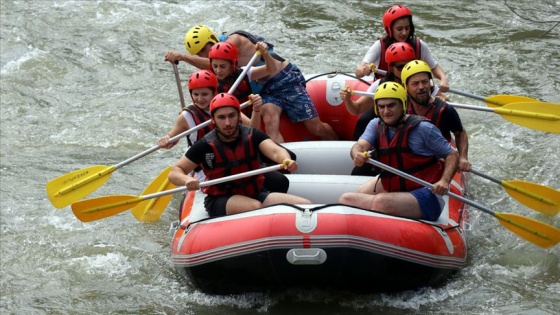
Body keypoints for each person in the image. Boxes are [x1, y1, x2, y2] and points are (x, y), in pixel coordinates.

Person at [165, 24, 338, 142]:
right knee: (270, 123)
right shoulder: (221, 64)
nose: (205, 55)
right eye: (200, 53)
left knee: (315, 128)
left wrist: (183, 57)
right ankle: (283, 164)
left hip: (284, 80)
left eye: (204, 49)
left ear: (212, 38)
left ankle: (339, 142)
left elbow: (214, 61)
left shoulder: (233, 41)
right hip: (264, 90)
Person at [168, 93, 311, 217]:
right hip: (220, 199)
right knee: (255, 207)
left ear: (239, 116)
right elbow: (175, 172)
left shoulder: (252, 135)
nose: (228, 123)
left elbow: (274, 151)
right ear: (213, 120)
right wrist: (186, 180)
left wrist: (285, 160)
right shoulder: (204, 145)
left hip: (255, 193)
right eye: (222, 118)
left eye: (232, 116)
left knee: (305, 205)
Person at [338, 82, 459, 220]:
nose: (386, 111)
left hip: (426, 194)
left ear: (403, 105)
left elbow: (452, 154)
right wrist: (357, 154)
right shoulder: (375, 125)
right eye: (381, 106)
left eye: (391, 105)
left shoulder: (423, 128)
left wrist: (444, 181)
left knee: (380, 202)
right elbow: (359, 146)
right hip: (396, 186)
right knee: (349, 198)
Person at [157, 70, 291, 194]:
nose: (200, 99)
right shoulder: (186, 117)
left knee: (282, 173)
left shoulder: (225, 106)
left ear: (214, 92)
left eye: (204, 94)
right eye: (195, 94)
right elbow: (171, 140)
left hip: (236, 153)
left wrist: (256, 110)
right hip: (209, 163)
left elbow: (252, 131)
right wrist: (166, 139)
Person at [354, 4, 450, 93]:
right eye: (399, 29)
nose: (404, 33)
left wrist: (443, 79)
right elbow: (358, 72)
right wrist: (364, 70)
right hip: (386, 93)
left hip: (413, 93)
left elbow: (434, 67)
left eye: (407, 28)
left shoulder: (419, 45)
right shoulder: (380, 45)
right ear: (390, 29)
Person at [401, 60, 471, 172]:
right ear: (406, 87)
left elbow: (460, 133)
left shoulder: (445, 110)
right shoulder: (399, 108)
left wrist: (463, 157)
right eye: (415, 83)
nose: (421, 87)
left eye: (425, 82)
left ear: (431, 84)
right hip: (409, 161)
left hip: (438, 162)